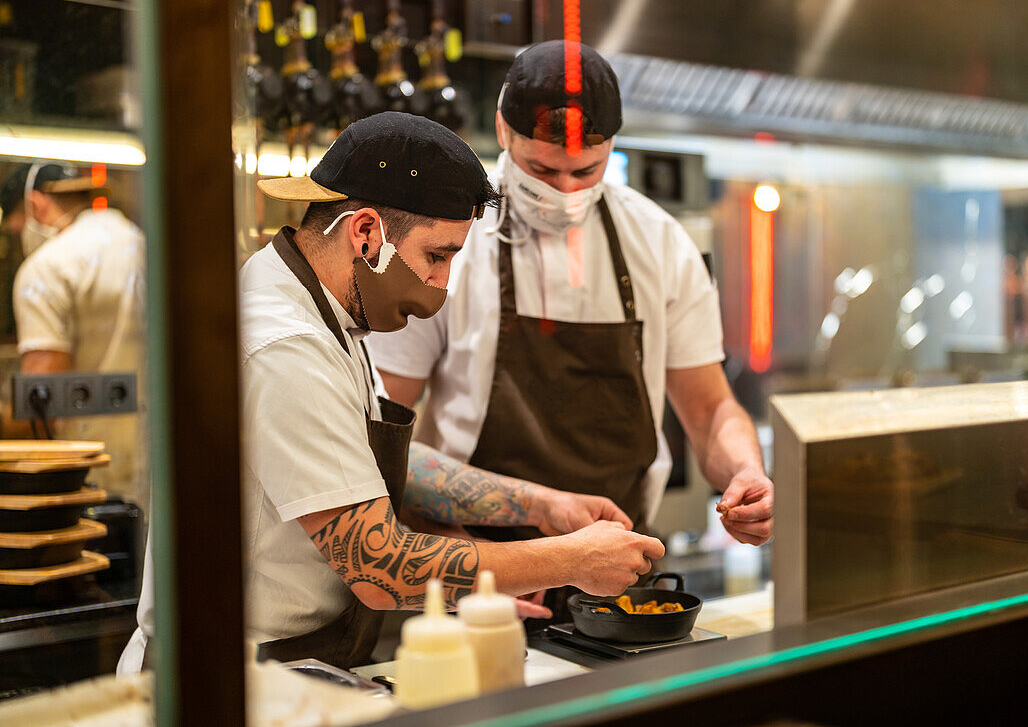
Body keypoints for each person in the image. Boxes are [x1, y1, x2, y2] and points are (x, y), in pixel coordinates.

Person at [117, 112, 663, 673]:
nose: (441, 285)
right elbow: (379, 567)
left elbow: (364, 458)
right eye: (437, 256)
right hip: (229, 682)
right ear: (366, 233)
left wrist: (540, 504)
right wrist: (571, 560)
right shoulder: (285, 344)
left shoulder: (331, 314)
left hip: (299, 667)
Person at [368, 42, 774, 549]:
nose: (564, 190)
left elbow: (711, 410)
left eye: (585, 172)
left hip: (621, 564)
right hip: (477, 567)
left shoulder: (660, 243)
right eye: (542, 170)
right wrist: (470, 564)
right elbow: (382, 430)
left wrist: (745, 473)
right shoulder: (447, 243)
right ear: (502, 131)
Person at [0, 163, 146, 512]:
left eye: (15, 229)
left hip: (90, 475)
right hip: (155, 465)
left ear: (35, 206)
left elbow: (42, 404)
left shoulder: (47, 267)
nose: (20, 239)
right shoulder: (140, 242)